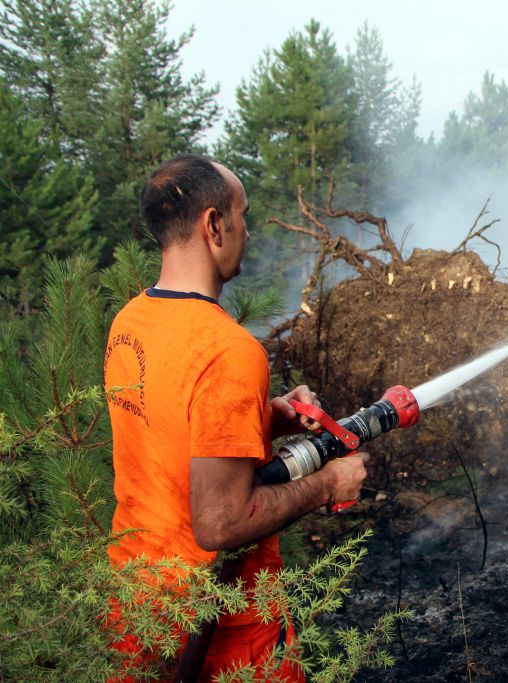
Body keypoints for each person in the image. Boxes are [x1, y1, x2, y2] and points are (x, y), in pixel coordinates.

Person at [103, 154, 367, 681]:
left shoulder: (132, 320)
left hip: (136, 606)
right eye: (242, 214)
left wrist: (267, 416)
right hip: (220, 628)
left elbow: (172, 425)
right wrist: (329, 483)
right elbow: (220, 523)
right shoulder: (227, 350)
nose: (247, 229)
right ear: (214, 224)